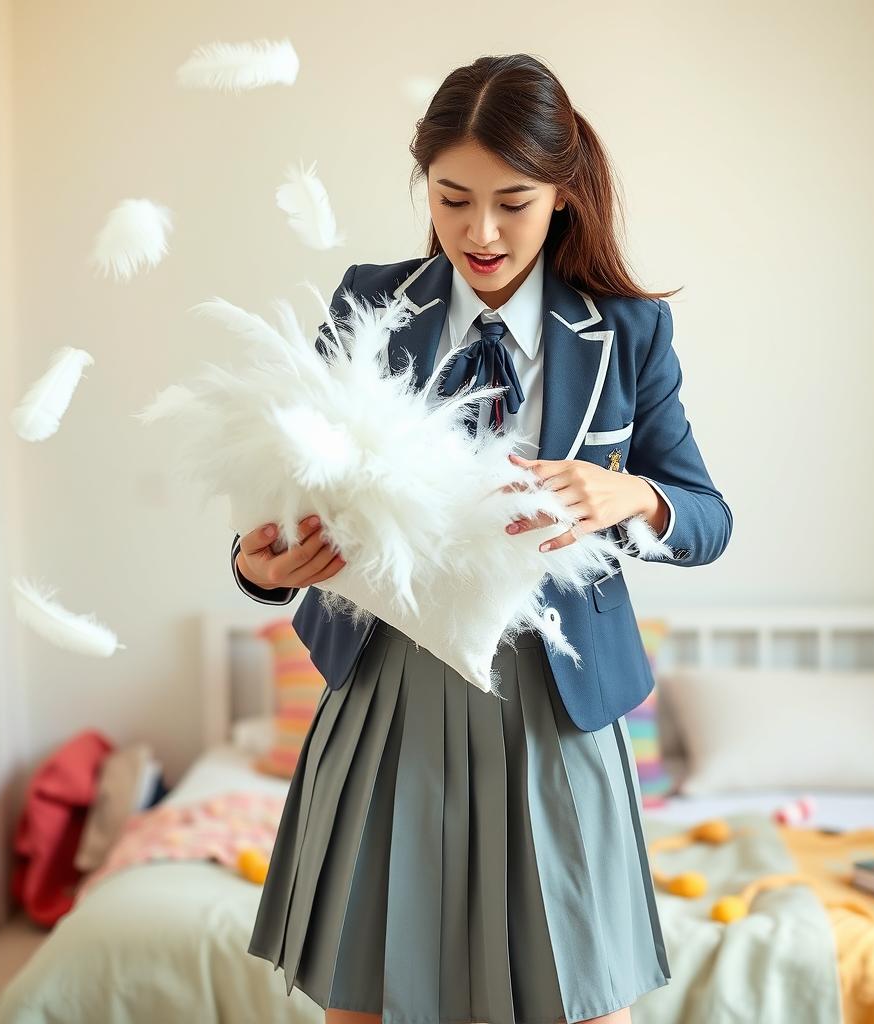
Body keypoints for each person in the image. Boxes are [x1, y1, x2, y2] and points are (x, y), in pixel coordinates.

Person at [233, 53, 732, 1024]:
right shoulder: (370, 304)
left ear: (564, 193)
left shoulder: (626, 333)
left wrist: (623, 493)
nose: (481, 232)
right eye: (453, 197)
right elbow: (291, 492)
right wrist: (257, 562)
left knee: (587, 1003)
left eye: (513, 200)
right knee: (366, 1001)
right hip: (387, 693)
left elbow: (705, 517)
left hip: (557, 700)